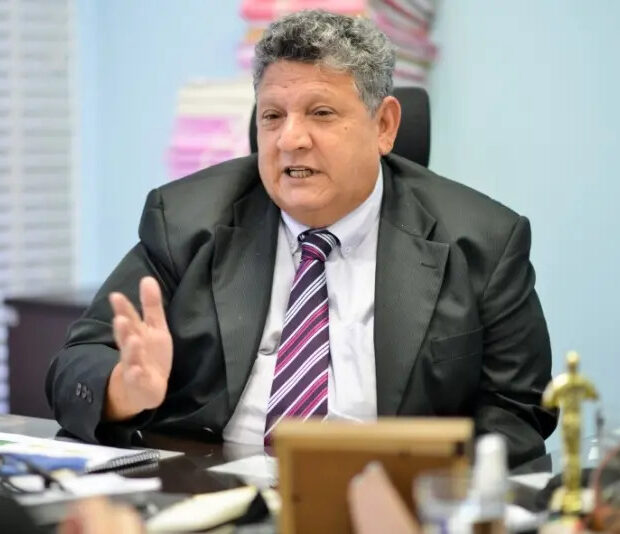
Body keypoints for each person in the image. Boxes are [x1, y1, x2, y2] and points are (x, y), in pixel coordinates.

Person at [46, 9, 556, 467]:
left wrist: (424, 493)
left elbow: (517, 410)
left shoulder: (483, 241)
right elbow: (77, 363)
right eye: (272, 116)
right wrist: (124, 390)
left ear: (384, 125)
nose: (290, 139)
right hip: (214, 493)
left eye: (321, 113)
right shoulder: (185, 221)